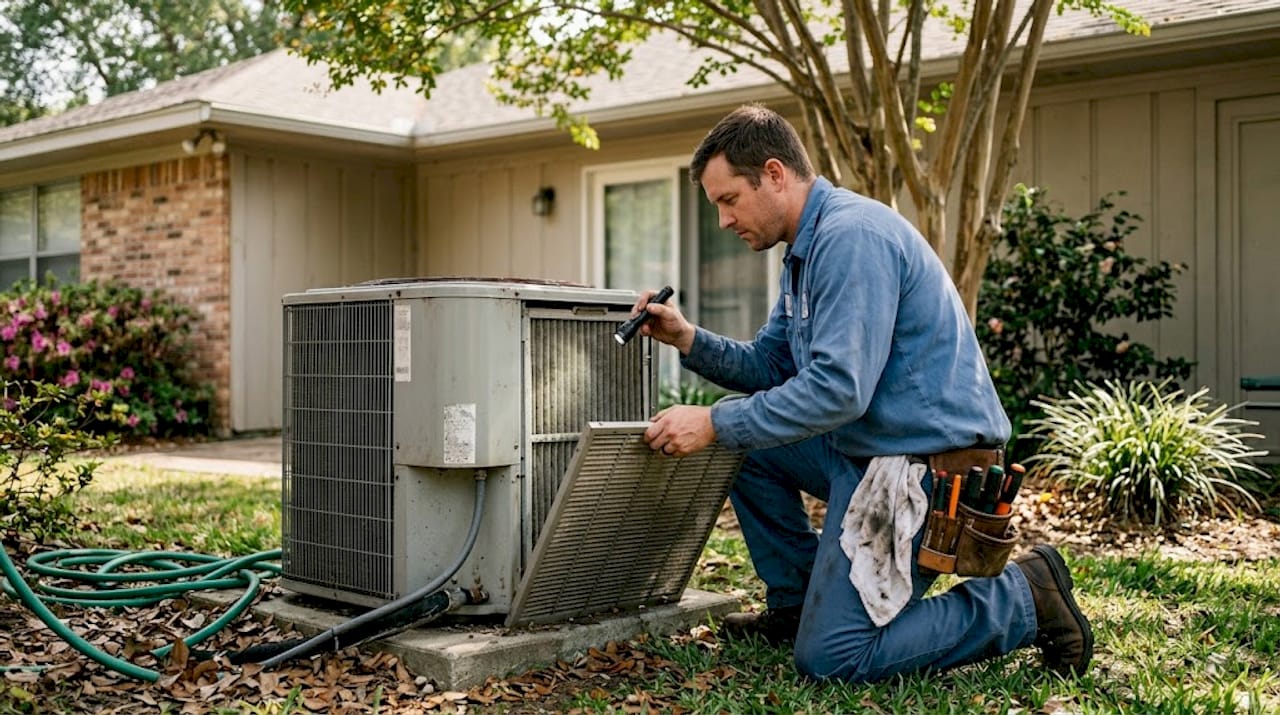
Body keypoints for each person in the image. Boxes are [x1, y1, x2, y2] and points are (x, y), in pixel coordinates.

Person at [633, 103, 1092, 683]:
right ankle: (798, 606)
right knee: (739, 441)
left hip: (926, 469)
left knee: (834, 658)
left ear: (774, 174)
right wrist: (687, 337)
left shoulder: (851, 238)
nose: (723, 220)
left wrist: (715, 422)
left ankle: (1026, 596)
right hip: (869, 452)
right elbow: (774, 364)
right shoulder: (806, 251)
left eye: (728, 200)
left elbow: (837, 393)